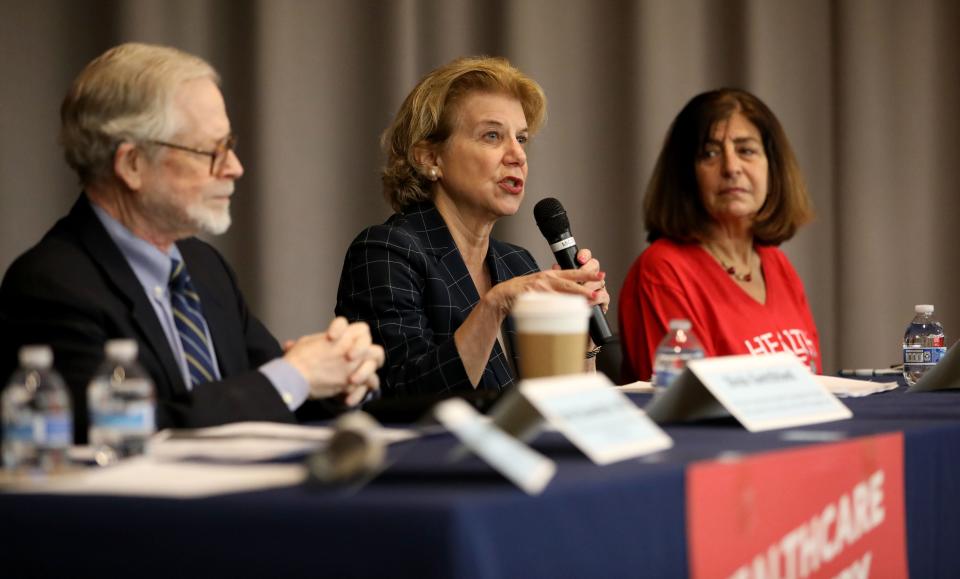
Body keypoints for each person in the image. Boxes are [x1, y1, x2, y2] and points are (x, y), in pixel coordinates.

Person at [0, 43, 384, 443]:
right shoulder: (52, 284)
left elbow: (263, 395)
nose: (235, 168)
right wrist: (296, 375)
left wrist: (336, 376)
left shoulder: (203, 267)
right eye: (211, 151)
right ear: (132, 164)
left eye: (229, 147)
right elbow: (117, 436)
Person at [336, 56, 609, 396]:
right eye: (492, 136)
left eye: (521, 139)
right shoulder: (386, 252)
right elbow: (402, 396)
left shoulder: (516, 264)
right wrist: (494, 305)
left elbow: (562, 403)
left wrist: (579, 335)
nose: (517, 156)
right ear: (430, 157)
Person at [618, 88, 821, 383]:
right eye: (710, 153)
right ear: (686, 174)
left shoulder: (778, 265)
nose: (731, 167)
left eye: (746, 150)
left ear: (772, 167)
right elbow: (689, 403)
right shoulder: (663, 271)